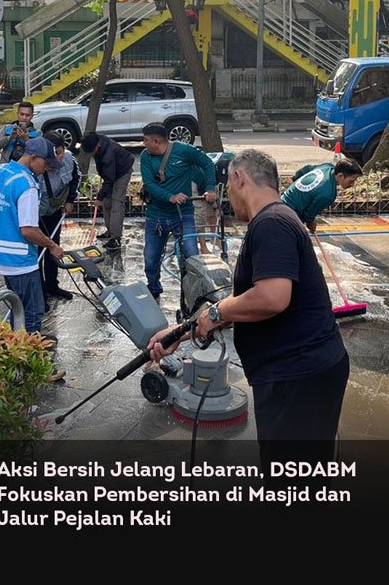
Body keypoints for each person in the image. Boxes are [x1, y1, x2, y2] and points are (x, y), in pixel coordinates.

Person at [147, 148, 349, 471]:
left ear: (239, 178)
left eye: (227, 188)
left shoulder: (271, 222)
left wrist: (216, 313)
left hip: (298, 377)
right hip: (301, 374)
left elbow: (272, 297)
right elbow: (249, 304)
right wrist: (181, 334)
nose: (227, 199)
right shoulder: (279, 219)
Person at [0, 134, 67, 382]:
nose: (47, 169)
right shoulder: (27, 186)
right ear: (33, 158)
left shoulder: (1, 171)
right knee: (33, 312)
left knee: (18, 309)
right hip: (20, 260)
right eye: (46, 164)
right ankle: (33, 365)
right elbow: (28, 229)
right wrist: (52, 246)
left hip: (1, 256)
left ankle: (15, 354)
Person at [138, 123, 216, 300]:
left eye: (146, 140)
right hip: (156, 216)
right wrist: (170, 196)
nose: (143, 143)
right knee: (151, 258)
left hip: (183, 214)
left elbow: (208, 164)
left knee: (191, 255)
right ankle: (154, 288)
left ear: (156, 141)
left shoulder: (184, 151)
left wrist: (210, 188)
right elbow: (149, 185)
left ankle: (191, 292)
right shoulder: (146, 157)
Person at [38, 132, 81, 302]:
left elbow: (76, 179)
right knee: (37, 253)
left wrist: (70, 200)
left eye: (60, 152)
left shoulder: (70, 159)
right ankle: (39, 291)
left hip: (54, 212)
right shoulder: (37, 165)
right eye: (52, 153)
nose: (57, 157)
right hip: (36, 216)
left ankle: (52, 285)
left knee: (53, 250)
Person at [79, 131, 134, 251]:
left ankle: (116, 238)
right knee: (106, 203)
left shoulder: (108, 153)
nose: (91, 154)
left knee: (116, 203)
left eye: (92, 151)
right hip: (111, 173)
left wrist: (99, 198)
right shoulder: (96, 142)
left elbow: (110, 179)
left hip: (123, 171)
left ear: (97, 145)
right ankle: (110, 232)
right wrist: (102, 198)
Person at [280, 158, 362, 233]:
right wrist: (311, 223)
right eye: (351, 181)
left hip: (281, 201)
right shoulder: (328, 194)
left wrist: (295, 178)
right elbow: (309, 214)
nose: (352, 184)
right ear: (340, 176)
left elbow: (307, 168)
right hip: (290, 216)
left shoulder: (327, 167)